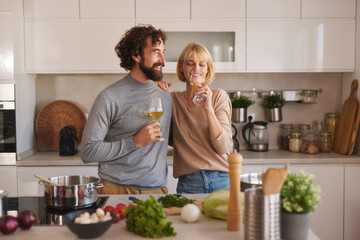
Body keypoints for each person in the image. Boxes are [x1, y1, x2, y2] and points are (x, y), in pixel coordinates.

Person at [80, 24, 173, 194]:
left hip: (157, 191)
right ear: (136, 55)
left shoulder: (165, 96)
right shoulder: (110, 97)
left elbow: (171, 138)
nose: (163, 60)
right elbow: (88, 151)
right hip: (116, 189)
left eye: (163, 52)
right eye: (155, 52)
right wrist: (135, 141)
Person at [171, 42, 232, 194]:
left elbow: (223, 147)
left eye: (201, 64)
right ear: (181, 68)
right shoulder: (172, 100)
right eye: (190, 64)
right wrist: (156, 93)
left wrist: (208, 109)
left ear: (207, 70)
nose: (196, 69)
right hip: (189, 182)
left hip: (221, 179)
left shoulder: (218, 96)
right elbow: (168, 137)